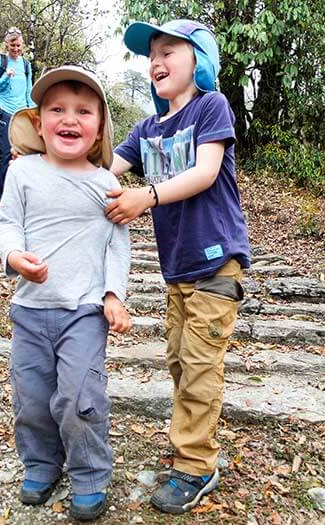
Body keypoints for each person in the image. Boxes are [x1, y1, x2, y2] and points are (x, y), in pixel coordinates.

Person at [104, 20, 251, 514]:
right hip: (177, 270)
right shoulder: (147, 128)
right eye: (152, 55)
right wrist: (47, 158)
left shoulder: (211, 107)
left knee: (199, 365)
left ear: (199, 62)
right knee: (177, 360)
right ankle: (195, 441)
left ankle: (196, 465)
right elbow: (105, 169)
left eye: (169, 50)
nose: (157, 61)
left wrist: (144, 197)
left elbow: (206, 172)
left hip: (215, 262)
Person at [0, 64, 131, 521]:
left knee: (78, 395)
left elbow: (118, 243)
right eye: (56, 109)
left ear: (98, 131)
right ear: (38, 122)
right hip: (29, 311)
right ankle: (40, 462)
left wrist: (114, 294)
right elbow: (9, 223)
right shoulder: (23, 173)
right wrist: (14, 258)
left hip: (84, 310)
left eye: (83, 111)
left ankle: (90, 473)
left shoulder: (106, 184)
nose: (68, 119)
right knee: (31, 395)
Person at [0, 27, 33, 201]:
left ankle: (17, 192)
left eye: (18, 45)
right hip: (3, 113)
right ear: (7, 44)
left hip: (21, 114)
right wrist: (5, 77)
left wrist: (33, 114)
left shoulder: (26, 65)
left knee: (23, 154)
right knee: (6, 153)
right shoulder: (0, 61)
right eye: (12, 44)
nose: (16, 48)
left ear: (22, 45)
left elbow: (29, 92)